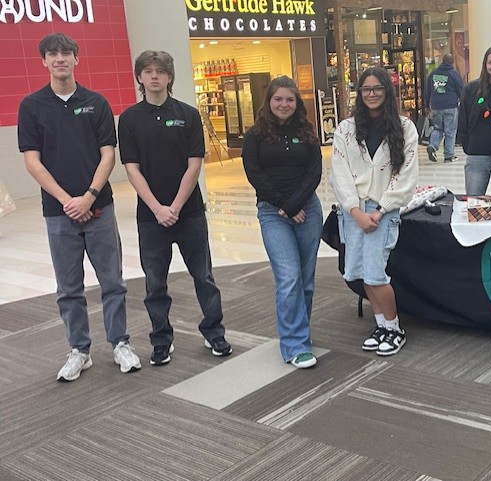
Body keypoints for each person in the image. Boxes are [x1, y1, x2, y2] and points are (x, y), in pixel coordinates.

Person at [17, 33, 141, 381]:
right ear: (44, 61)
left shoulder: (96, 102)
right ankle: (80, 350)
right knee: (69, 288)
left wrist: (88, 195)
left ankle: (120, 343)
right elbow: (32, 161)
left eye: (66, 53)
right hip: (59, 214)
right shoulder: (31, 106)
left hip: (99, 207)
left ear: (76, 59)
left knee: (112, 282)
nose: (60, 58)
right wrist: (67, 201)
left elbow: (108, 154)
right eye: (52, 54)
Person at [118, 50, 232, 366]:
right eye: (148, 71)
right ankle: (161, 339)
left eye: (160, 71)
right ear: (140, 77)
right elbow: (132, 169)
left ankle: (214, 331)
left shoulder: (189, 114)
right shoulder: (129, 119)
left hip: (190, 212)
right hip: (151, 216)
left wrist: (177, 206)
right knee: (155, 282)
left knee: (204, 277)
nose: (154, 76)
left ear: (170, 77)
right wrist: (157, 209)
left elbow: (194, 164)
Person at [330, 67, 419, 356]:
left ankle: (394, 329)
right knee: (358, 273)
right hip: (354, 211)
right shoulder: (346, 128)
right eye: (366, 89)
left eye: (377, 89)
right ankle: (381, 324)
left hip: (383, 211)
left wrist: (380, 211)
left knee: (375, 275)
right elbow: (339, 174)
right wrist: (355, 211)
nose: (372, 94)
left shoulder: (405, 128)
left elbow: (406, 175)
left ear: (387, 91)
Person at [242, 76, 323, 369]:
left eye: (290, 99)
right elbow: (255, 175)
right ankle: (295, 345)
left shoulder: (308, 131)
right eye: (278, 99)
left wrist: (297, 204)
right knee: (289, 278)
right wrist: (286, 206)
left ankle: (300, 332)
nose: (284, 104)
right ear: (269, 102)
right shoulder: (255, 136)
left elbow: (314, 172)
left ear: (297, 103)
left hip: (308, 211)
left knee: (307, 281)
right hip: (272, 212)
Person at [457, 45, 491, 196]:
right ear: (485, 65)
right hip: (478, 156)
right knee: (474, 204)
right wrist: (470, 148)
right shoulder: (471, 89)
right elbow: (462, 121)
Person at [424, 53, 464, 163]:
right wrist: (464, 103)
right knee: (450, 131)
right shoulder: (453, 74)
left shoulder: (433, 74)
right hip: (450, 106)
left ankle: (432, 146)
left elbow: (427, 90)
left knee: (438, 128)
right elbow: (461, 90)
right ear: (452, 62)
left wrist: (427, 105)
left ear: (442, 61)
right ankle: (449, 156)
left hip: (436, 106)